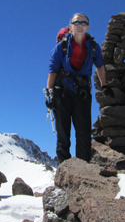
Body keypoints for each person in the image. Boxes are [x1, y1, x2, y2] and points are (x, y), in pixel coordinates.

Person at [46, 13, 108, 163]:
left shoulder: (93, 47)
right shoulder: (61, 47)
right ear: (71, 26)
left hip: (82, 93)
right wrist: (49, 93)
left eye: (83, 22)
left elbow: (100, 66)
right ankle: (65, 171)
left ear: (87, 26)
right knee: (63, 134)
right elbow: (53, 70)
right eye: (76, 22)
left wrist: (105, 86)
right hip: (62, 92)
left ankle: (83, 170)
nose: (80, 25)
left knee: (83, 133)